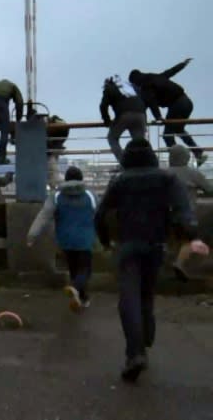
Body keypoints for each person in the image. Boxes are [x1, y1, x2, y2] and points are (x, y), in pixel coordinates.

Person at [94, 138, 209, 382]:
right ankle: (146, 331)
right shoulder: (167, 179)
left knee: (129, 297)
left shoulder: (120, 180)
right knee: (146, 293)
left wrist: (105, 241)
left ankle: (135, 353)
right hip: (156, 246)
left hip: (127, 246)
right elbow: (182, 211)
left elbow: (101, 213)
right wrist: (192, 236)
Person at [27, 166, 97, 311]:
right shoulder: (90, 195)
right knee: (85, 270)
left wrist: (32, 235)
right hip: (85, 239)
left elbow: (44, 216)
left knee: (73, 269)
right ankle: (76, 288)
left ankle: (81, 298)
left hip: (65, 240)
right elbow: (100, 214)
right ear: (81, 178)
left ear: (66, 179)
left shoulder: (57, 195)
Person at [130, 58, 207, 166]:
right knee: (178, 129)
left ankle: (178, 163)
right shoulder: (155, 77)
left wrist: (158, 117)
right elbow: (170, 72)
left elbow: (151, 103)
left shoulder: (145, 87)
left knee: (167, 135)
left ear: (135, 82)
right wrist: (182, 64)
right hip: (187, 102)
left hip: (177, 105)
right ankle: (198, 153)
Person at [165, 144, 213, 281]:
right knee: (191, 238)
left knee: (173, 238)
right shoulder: (193, 173)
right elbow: (209, 190)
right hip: (186, 215)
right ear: (185, 157)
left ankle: (169, 263)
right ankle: (180, 264)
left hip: (164, 214)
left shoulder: (162, 173)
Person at [100, 75, 147, 164]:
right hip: (141, 115)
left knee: (112, 138)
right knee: (140, 143)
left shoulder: (109, 88)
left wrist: (107, 121)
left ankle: (125, 163)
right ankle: (142, 165)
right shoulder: (132, 87)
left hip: (125, 115)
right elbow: (142, 101)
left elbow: (103, 106)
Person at [45, 115, 70, 187]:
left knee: (52, 169)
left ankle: (54, 186)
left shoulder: (59, 126)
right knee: (52, 169)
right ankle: (54, 186)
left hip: (52, 147)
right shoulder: (62, 126)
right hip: (53, 146)